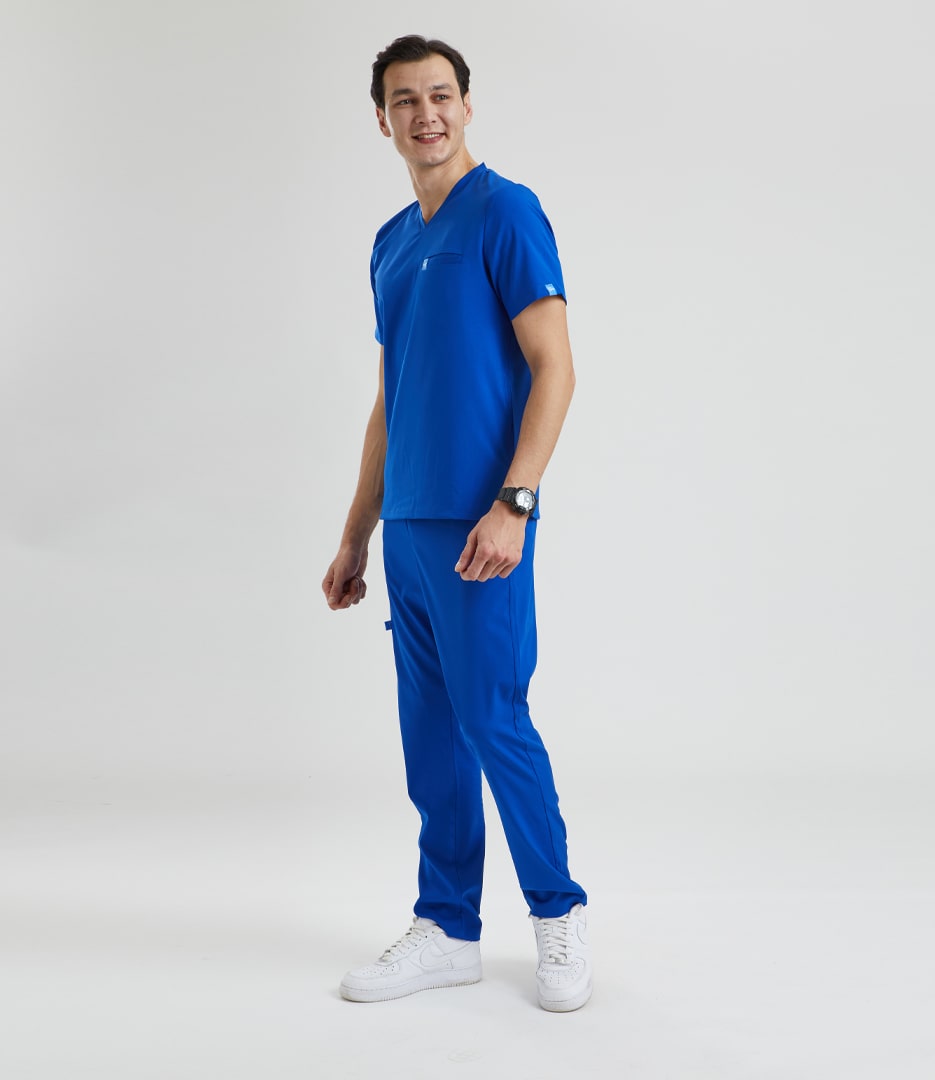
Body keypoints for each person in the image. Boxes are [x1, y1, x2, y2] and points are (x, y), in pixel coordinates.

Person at [321, 34, 591, 1013]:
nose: (425, 113)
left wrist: (515, 502)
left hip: (485, 524)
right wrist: (356, 532)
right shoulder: (391, 241)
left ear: (467, 107)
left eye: (440, 95)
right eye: (405, 99)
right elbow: (390, 400)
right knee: (431, 735)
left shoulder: (506, 212)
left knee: (493, 719)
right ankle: (448, 928)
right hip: (409, 525)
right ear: (382, 119)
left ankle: (558, 913)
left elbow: (556, 368)